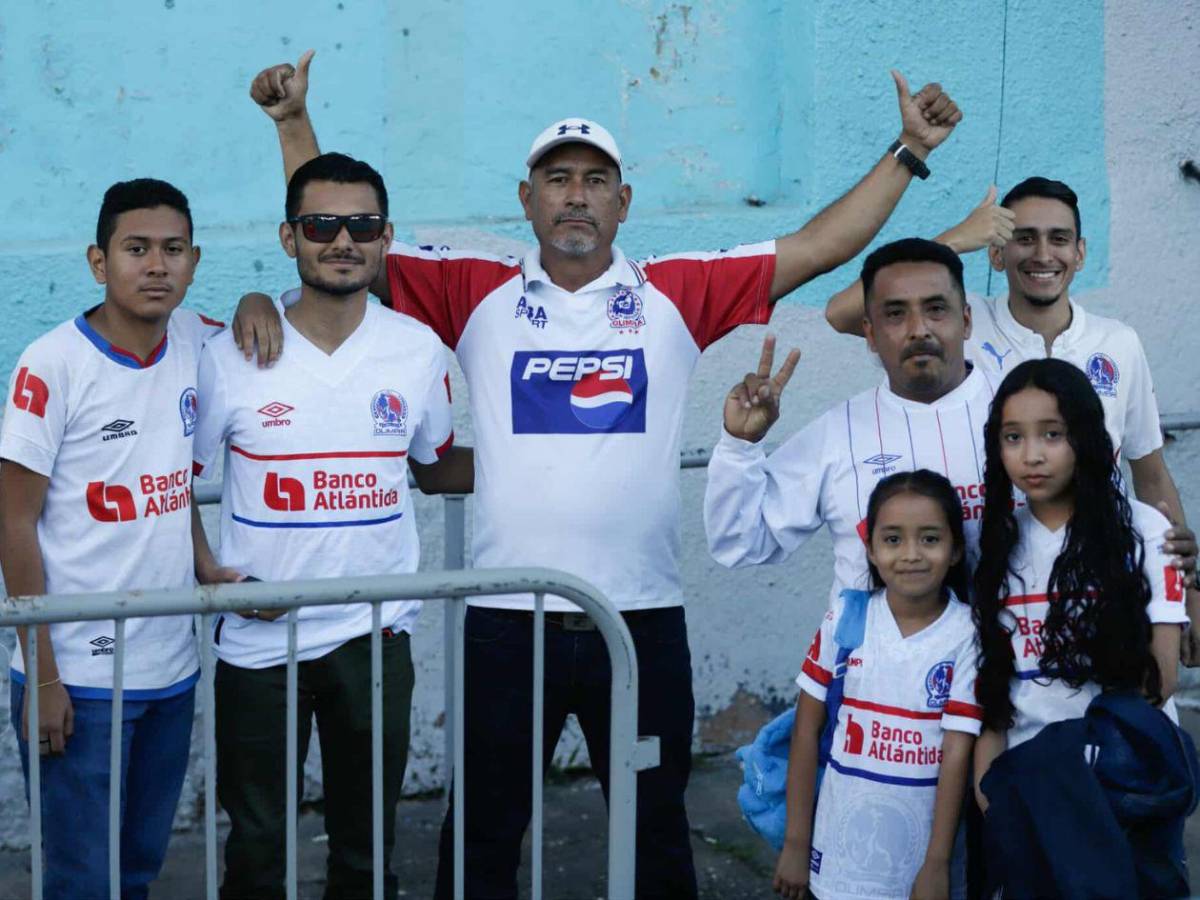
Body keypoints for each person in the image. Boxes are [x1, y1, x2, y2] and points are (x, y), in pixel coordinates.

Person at [239, 51, 963, 898]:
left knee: (655, 832)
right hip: (507, 621)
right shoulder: (475, 288)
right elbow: (341, 232)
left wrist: (909, 149)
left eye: (594, 179)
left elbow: (821, 245)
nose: (575, 194)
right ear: (526, 200)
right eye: (556, 179)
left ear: (624, 203)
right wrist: (292, 126)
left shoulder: (674, 292)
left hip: (641, 621)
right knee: (480, 836)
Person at [190, 152, 471, 899]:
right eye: (321, 224)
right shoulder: (230, 354)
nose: (342, 239)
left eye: (362, 224)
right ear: (290, 238)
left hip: (372, 638)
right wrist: (206, 570)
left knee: (366, 846)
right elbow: (167, 481)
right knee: (257, 851)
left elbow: (435, 464)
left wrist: (560, 463)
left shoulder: (417, 352)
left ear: (385, 238)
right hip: (258, 640)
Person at [822, 179, 1199, 650]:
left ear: (1080, 253)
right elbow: (841, 312)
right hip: (997, 583)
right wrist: (958, 239)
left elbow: (1151, 473)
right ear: (997, 254)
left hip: (1101, 576)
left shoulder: (1118, 342)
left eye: (1059, 239)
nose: (1043, 254)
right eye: (1023, 238)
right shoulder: (961, 322)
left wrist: (1190, 592)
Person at [0, 179, 224, 899]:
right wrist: (43, 675)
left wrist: (206, 564)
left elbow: (169, 481)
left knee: (135, 871)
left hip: (169, 669)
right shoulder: (52, 363)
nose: (156, 266)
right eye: (137, 249)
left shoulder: (192, 340)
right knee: (79, 880)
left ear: (193, 262)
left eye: (173, 250)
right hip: (81, 681)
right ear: (99, 262)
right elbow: (11, 519)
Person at [969, 357, 1189, 894]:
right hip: (1025, 790)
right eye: (1013, 437)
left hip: (1125, 783)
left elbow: (1161, 680)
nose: (1033, 455)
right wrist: (990, 794)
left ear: (1085, 438)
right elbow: (993, 696)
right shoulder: (992, 545)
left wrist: (1083, 778)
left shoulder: (1144, 530)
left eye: (1053, 434)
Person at [706, 238, 993, 609]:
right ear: (870, 335)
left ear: (966, 321)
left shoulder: (1024, 417)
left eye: (936, 309)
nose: (919, 329)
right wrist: (740, 445)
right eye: (895, 314)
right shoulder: (838, 432)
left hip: (1013, 662)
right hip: (873, 666)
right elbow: (740, 542)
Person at [774, 470, 981, 900]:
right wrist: (796, 842)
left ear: (956, 549)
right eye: (892, 539)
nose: (910, 555)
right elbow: (806, 730)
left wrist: (938, 863)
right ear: (869, 549)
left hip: (918, 867)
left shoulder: (967, 635)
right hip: (834, 863)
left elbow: (957, 752)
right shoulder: (846, 618)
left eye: (929, 538)